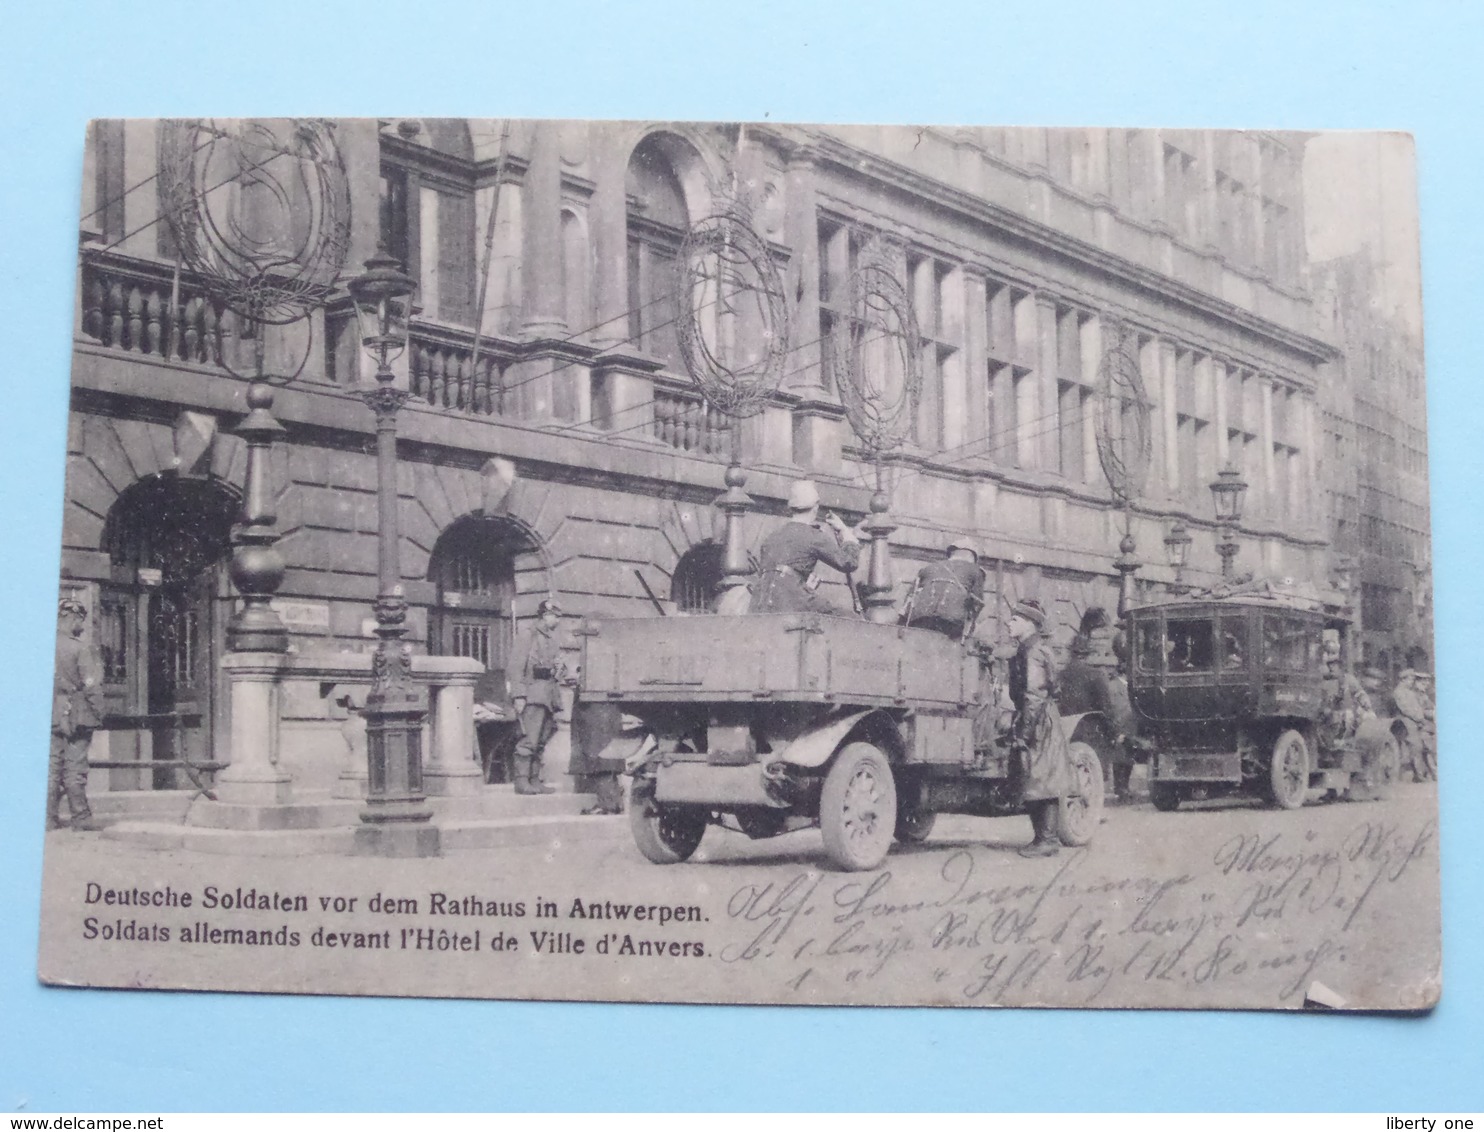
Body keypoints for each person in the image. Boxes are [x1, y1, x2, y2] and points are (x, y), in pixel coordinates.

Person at [1001, 598, 1068, 858]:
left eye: (1015, 619)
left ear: (1029, 624)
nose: (1008, 623)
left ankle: (1048, 839)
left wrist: (1024, 733)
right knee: (1034, 776)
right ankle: (1042, 837)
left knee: (1042, 777)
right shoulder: (1029, 649)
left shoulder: (1034, 652)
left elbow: (1035, 694)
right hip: (1036, 715)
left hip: (1038, 719)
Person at [750, 479, 862, 615]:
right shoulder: (814, 536)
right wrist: (846, 533)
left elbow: (775, 577)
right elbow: (848, 563)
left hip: (759, 604)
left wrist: (804, 587)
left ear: (792, 507)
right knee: (849, 618)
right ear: (816, 507)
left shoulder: (772, 537)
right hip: (792, 601)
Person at [50, 597, 105, 831]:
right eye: (80, 620)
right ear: (72, 618)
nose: (81, 626)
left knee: (51, 765)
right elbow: (91, 685)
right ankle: (80, 817)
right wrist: (98, 712)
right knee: (75, 766)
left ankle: (47, 818)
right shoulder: (80, 648)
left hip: (51, 713)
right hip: (75, 715)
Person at [509, 598, 573, 796]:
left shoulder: (552, 639)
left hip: (548, 695)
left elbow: (556, 671)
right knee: (529, 739)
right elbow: (515, 666)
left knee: (542, 739)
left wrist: (560, 669)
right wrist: (519, 695)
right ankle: (521, 781)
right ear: (545, 615)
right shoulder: (528, 635)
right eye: (555, 616)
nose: (557, 621)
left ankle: (535, 779)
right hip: (533, 693)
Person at [1057, 632, 1126, 800]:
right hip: (1091, 731)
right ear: (1088, 654)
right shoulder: (1096, 675)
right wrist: (1116, 732)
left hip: (1066, 729)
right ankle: (1093, 808)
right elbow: (1106, 708)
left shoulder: (1061, 674)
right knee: (1093, 771)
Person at [903, 539, 985, 640]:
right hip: (952, 621)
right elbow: (977, 602)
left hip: (919, 618)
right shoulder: (975, 570)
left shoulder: (929, 567)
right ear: (972, 556)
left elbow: (909, 598)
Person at [1321, 641, 1373, 741]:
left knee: (1355, 716)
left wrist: (1365, 702)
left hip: (1345, 714)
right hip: (1327, 714)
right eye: (1330, 664)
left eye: (1334, 664)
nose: (1332, 667)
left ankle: (1345, 740)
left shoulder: (1347, 679)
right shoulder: (1324, 681)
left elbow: (1360, 693)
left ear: (1340, 665)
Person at [1392, 668, 1435, 781]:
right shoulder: (1398, 692)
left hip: (1414, 721)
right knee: (1416, 746)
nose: (1412, 682)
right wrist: (1419, 718)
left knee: (1421, 746)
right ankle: (1418, 775)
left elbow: (1418, 707)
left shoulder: (1410, 692)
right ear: (1403, 680)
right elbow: (1406, 709)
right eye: (1410, 679)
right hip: (1405, 722)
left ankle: (1421, 773)